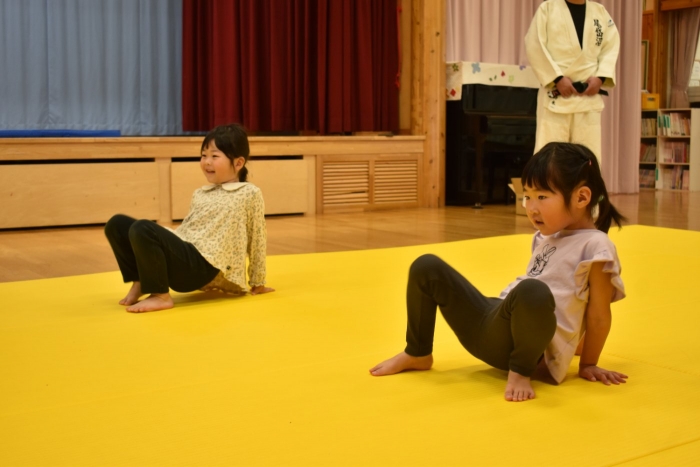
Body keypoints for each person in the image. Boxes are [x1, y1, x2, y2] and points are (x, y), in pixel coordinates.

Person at [370, 142, 627, 402]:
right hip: (492, 324)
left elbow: (597, 315)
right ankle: (417, 352)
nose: (531, 208)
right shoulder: (547, 236)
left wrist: (588, 363)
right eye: (527, 196)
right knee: (426, 266)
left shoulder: (596, 246)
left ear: (581, 198)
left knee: (533, 291)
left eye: (541, 197)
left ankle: (520, 371)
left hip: (523, 348)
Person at [104, 123, 274, 313]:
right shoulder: (200, 193)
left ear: (238, 163)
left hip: (203, 267)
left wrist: (258, 281)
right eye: (203, 155)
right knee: (117, 224)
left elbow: (257, 237)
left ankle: (160, 296)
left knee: (142, 227)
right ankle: (141, 281)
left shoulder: (249, 193)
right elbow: (188, 231)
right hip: (187, 256)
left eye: (214, 156)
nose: (207, 161)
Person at [524, 0, 620, 163]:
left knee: (588, 157)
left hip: (588, 98)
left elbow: (611, 47)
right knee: (550, 156)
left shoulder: (600, 12)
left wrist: (600, 78)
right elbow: (534, 45)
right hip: (556, 96)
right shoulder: (548, 8)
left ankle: (586, 182)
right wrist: (557, 79)